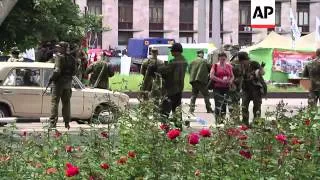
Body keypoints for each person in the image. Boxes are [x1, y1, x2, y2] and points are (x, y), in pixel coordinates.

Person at [157, 43, 188, 129]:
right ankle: (178, 128)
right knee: (177, 110)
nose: (171, 51)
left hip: (171, 89)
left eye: (172, 50)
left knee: (164, 111)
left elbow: (165, 71)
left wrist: (158, 67)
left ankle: (165, 129)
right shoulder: (184, 60)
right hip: (179, 88)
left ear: (177, 51)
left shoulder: (174, 62)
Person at [49, 42, 77, 129]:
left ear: (63, 48)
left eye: (59, 47)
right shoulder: (72, 59)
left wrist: (51, 78)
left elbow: (57, 71)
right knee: (66, 103)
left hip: (58, 84)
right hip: (68, 84)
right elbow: (74, 72)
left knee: (54, 103)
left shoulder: (59, 57)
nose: (58, 49)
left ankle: (53, 123)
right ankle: (67, 123)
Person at [210, 52, 234, 123]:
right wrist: (221, 80)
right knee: (218, 103)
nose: (223, 60)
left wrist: (231, 81)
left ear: (226, 58)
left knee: (224, 104)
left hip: (226, 87)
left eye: (224, 58)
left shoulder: (229, 66)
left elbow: (232, 75)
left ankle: (222, 119)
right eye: (221, 58)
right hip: (217, 87)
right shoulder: (215, 66)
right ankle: (217, 120)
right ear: (219, 58)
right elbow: (212, 76)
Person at [242, 60, 266, 126]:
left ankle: (256, 123)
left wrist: (260, 68)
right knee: (244, 106)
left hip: (256, 90)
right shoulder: (243, 67)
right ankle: (245, 123)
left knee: (257, 107)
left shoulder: (256, 69)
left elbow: (261, 73)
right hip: (246, 90)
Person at [229, 52, 250, 116]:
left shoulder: (242, 64)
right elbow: (229, 75)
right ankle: (233, 119)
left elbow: (243, 75)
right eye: (246, 60)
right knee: (232, 103)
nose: (247, 61)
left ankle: (236, 119)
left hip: (238, 87)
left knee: (236, 103)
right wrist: (232, 84)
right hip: (233, 87)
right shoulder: (232, 65)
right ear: (241, 59)